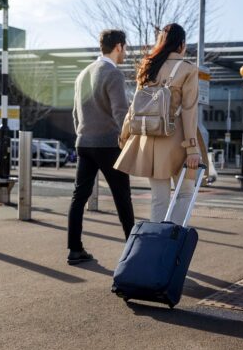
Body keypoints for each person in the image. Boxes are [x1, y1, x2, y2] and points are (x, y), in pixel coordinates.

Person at [116, 23, 208, 226]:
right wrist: (192, 148)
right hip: (177, 140)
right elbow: (189, 110)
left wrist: (124, 136)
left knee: (159, 200)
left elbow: (135, 106)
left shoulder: (147, 66)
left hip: (149, 140)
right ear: (182, 44)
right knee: (184, 193)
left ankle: (156, 247)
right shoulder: (187, 69)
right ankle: (171, 241)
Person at [66, 29, 135, 265]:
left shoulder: (82, 75)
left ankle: (75, 249)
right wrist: (128, 140)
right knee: (122, 197)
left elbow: (75, 113)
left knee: (79, 196)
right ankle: (133, 253)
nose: (125, 52)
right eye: (125, 48)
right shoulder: (113, 74)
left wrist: (83, 135)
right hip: (108, 144)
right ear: (118, 46)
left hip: (84, 143)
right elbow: (121, 113)